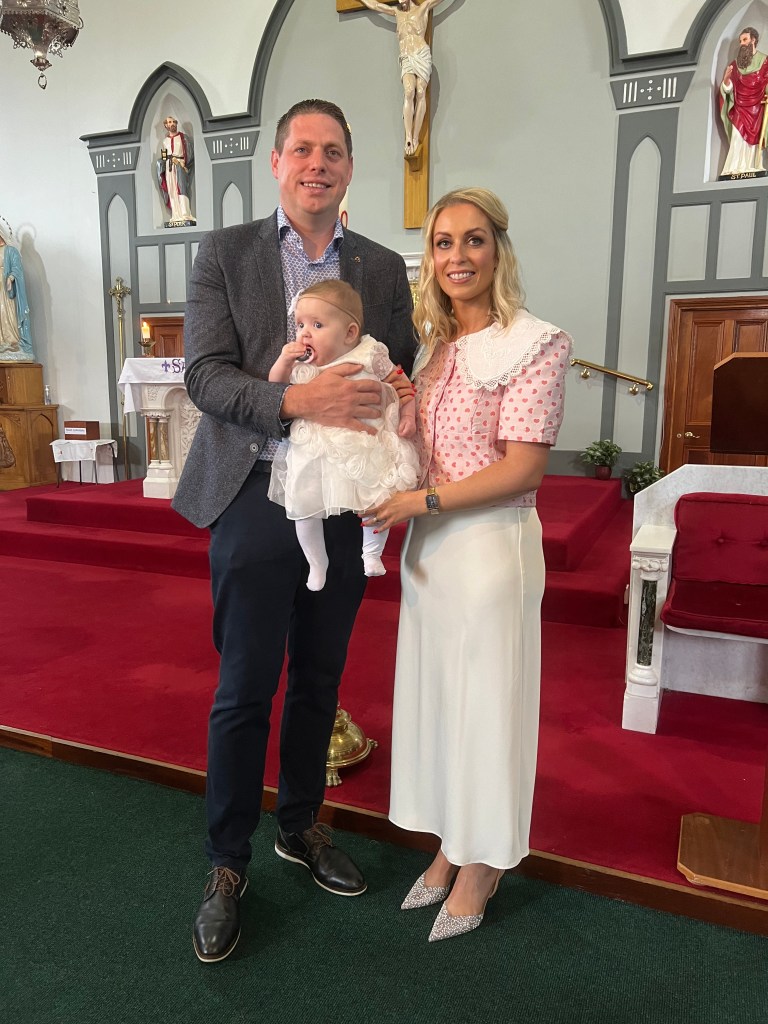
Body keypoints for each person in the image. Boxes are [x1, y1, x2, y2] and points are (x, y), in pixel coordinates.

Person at [171, 98, 415, 963]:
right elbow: (204, 374)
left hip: (344, 497)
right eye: (303, 149)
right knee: (244, 685)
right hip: (253, 490)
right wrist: (294, 399)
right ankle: (226, 863)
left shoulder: (382, 267)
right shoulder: (225, 251)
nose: (318, 164)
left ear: (350, 167)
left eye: (334, 151)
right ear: (276, 162)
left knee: (319, 676)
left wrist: (396, 404)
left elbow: (403, 363)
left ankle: (301, 824)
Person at [363, 187, 572, 941]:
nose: (458, 256)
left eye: (473, 240)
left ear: (498, 250)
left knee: (488, 707)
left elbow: (522, 468)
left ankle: (484, 863)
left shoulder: (537, 342)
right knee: (444, 701)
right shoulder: (436, 349)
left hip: (489, 548)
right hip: (432, 554)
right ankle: (453, 840)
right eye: (443, 242)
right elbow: (424, 449)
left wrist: (419, 502)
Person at [268, 279, 418, 589]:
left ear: (350, 333)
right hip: (314, 449)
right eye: (300, 324)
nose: (304, 333)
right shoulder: (301, 363)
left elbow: (402, 383)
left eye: (317, 325)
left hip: (364, 445)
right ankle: (316, 562)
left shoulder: (369, 353)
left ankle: (371, 553)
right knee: (303, 507)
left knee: (376, 499)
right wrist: (283, 361)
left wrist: (408, 414)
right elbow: (275, 389)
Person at [360, 0, 448, 156]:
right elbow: (375, 5)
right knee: (409, 91)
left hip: (421, 54)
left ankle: (415, 137)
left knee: (420, 91)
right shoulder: (397, 13)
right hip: (406, 56)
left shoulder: (423, 8)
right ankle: (408, 136)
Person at [719, 27, 768, 177]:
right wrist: (726, 81)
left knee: (754, 141)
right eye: (740, 41)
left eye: (745, 40)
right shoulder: (735, 65)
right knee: (737, 138)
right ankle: (734, 168)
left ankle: (752, 166)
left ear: (753, 40)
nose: (742, 43)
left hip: (757, 109)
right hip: (739, 107)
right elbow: (728, 90)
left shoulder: (765, 62)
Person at [0, 225, 33, 361]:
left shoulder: (11, 251)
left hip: (6, 289)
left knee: (7, 314)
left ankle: (11, 341)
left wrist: (11, 277)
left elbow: (17, 268)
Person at [156, 116, 196, 225]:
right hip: (169, 167)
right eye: (169, 122)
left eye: (174, 122)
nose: (172, 124)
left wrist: (184, 163)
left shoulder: (183, 138)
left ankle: (185, 214)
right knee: (172, 190)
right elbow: (164, 156)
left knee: (182, 188)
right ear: (166, 125)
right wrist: (163, 161)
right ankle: (176, 215)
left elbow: (189, 153)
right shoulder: (165, 141)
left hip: (180, 165)